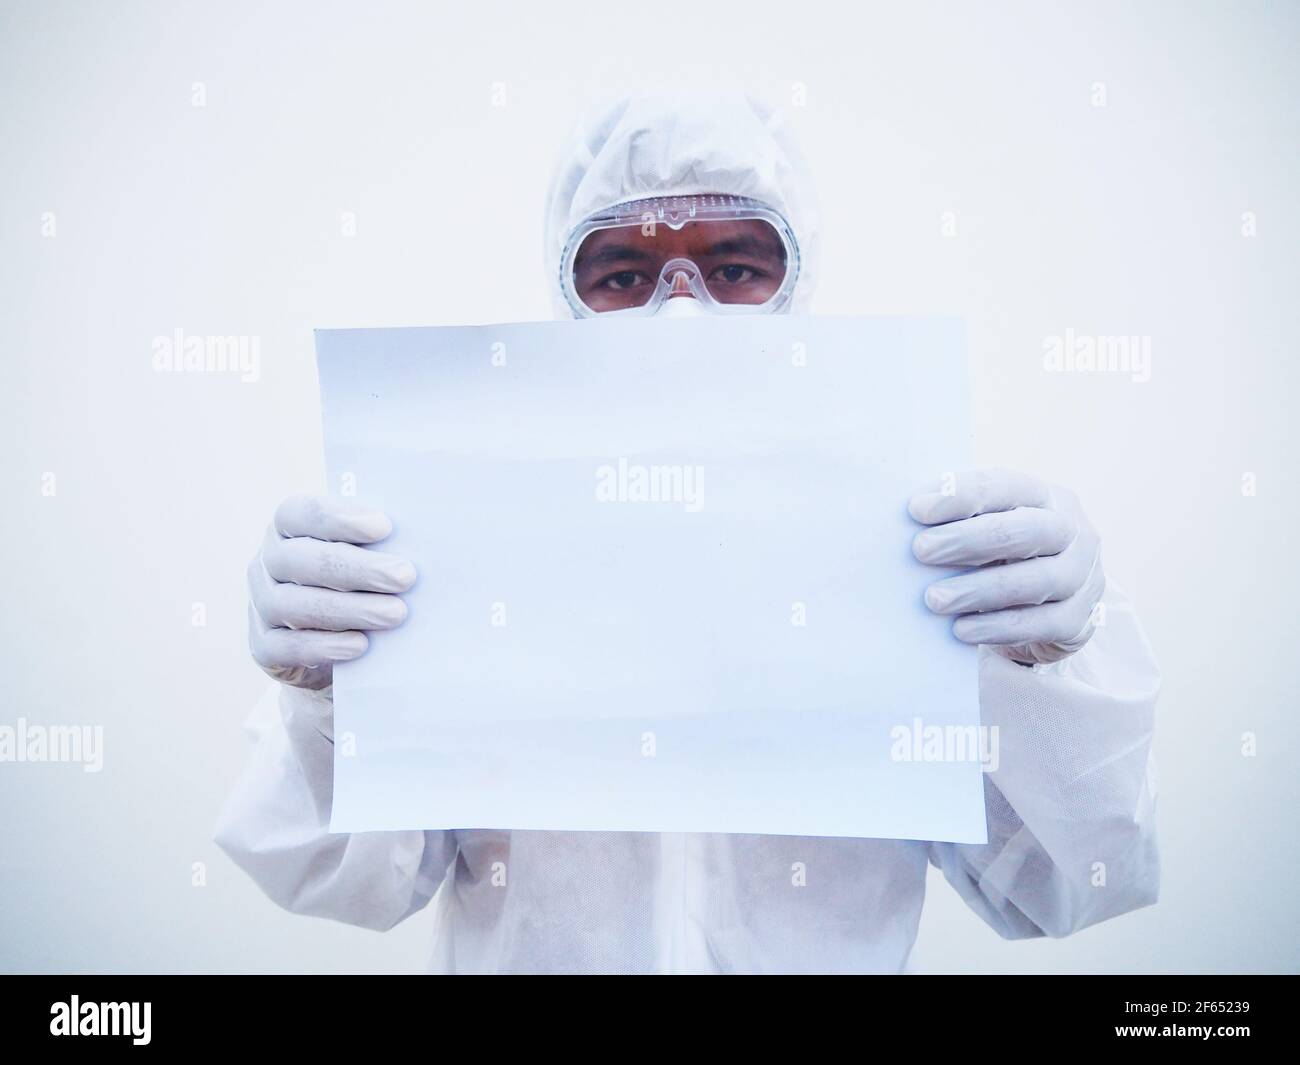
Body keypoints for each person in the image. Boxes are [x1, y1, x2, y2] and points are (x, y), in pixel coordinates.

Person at [216, 92, 1160, 974]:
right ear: (566, 294)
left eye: (735, 268)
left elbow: (1063, 886)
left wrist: (1048, 671)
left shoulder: (908, 548)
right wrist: (329, 698)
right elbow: (337, 878)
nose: (678, 308)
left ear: (796, 283)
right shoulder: (472, 545)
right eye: (624, 272)